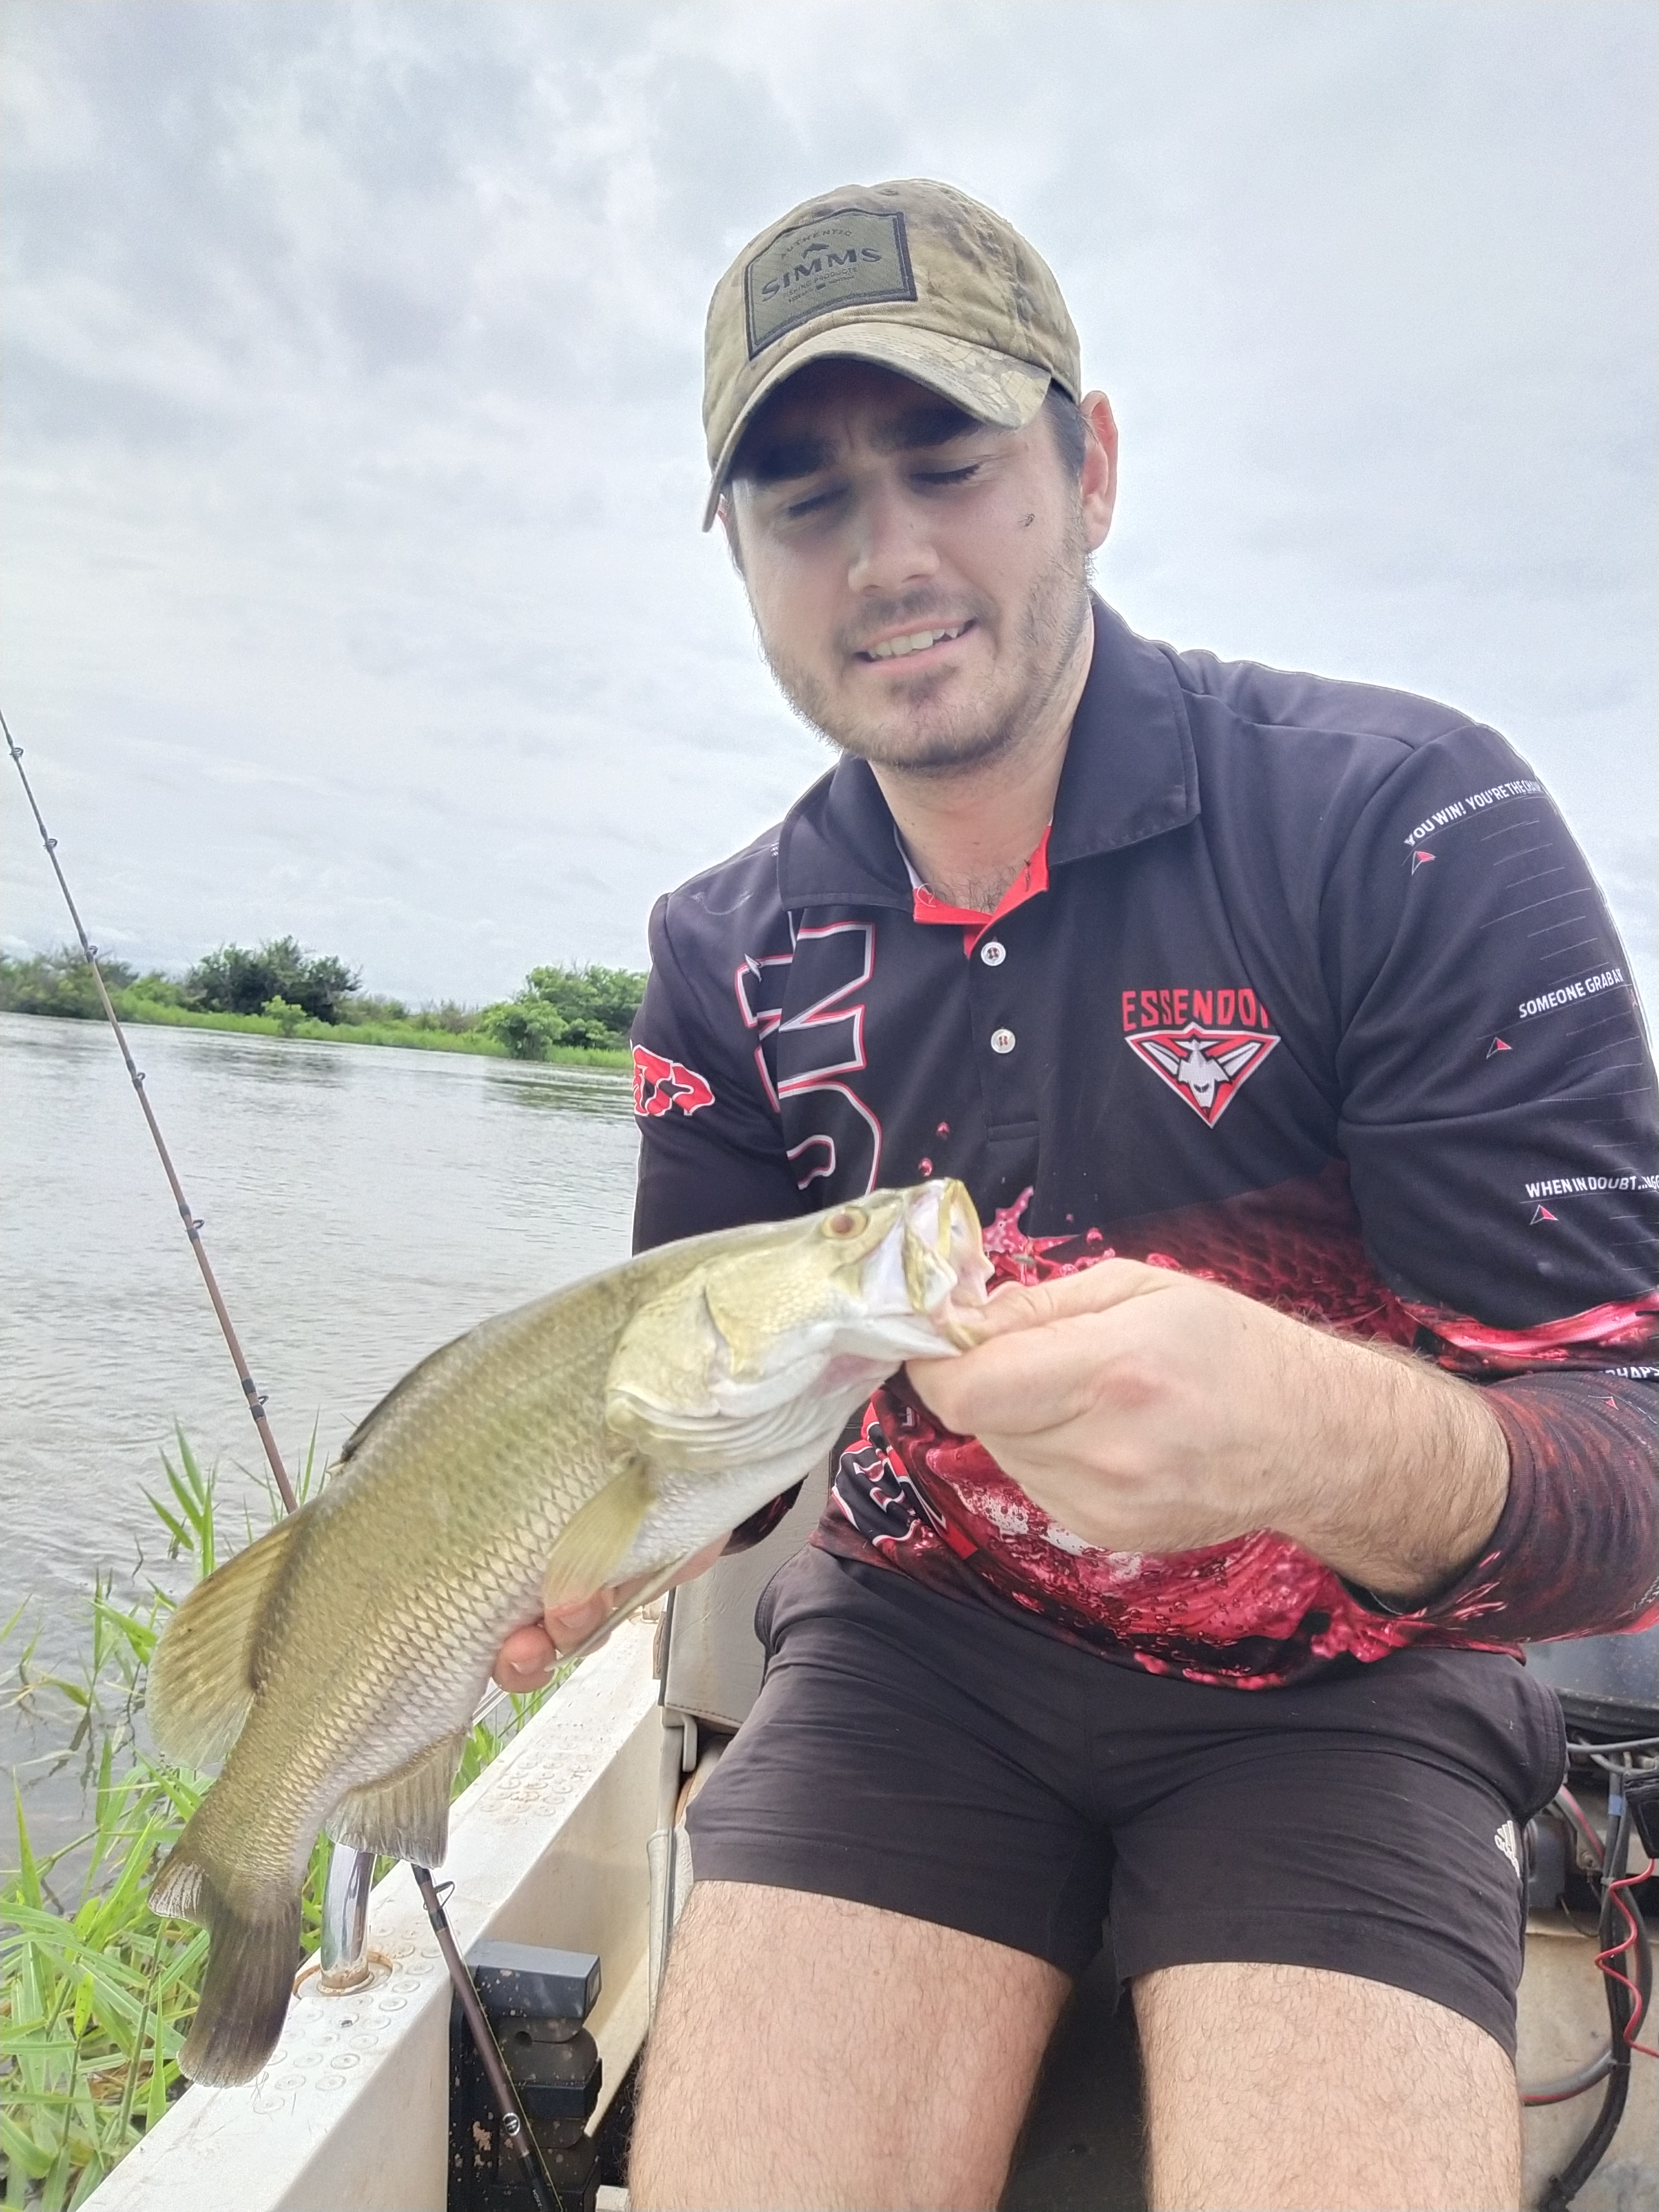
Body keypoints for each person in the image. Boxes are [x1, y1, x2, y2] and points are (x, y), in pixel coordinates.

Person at [495, 180, 1658, 2209]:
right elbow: (730, 1463)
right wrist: (589, 1534)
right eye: (804, 504)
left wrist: (1310, 1430)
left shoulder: (1405, 825)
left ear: (1092, 467)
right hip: (919, 1656)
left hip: (1345, 1688)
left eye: (951, 464)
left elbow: (1629, 1466)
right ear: (743, 563)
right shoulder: (727, 953)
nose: (890, 558)